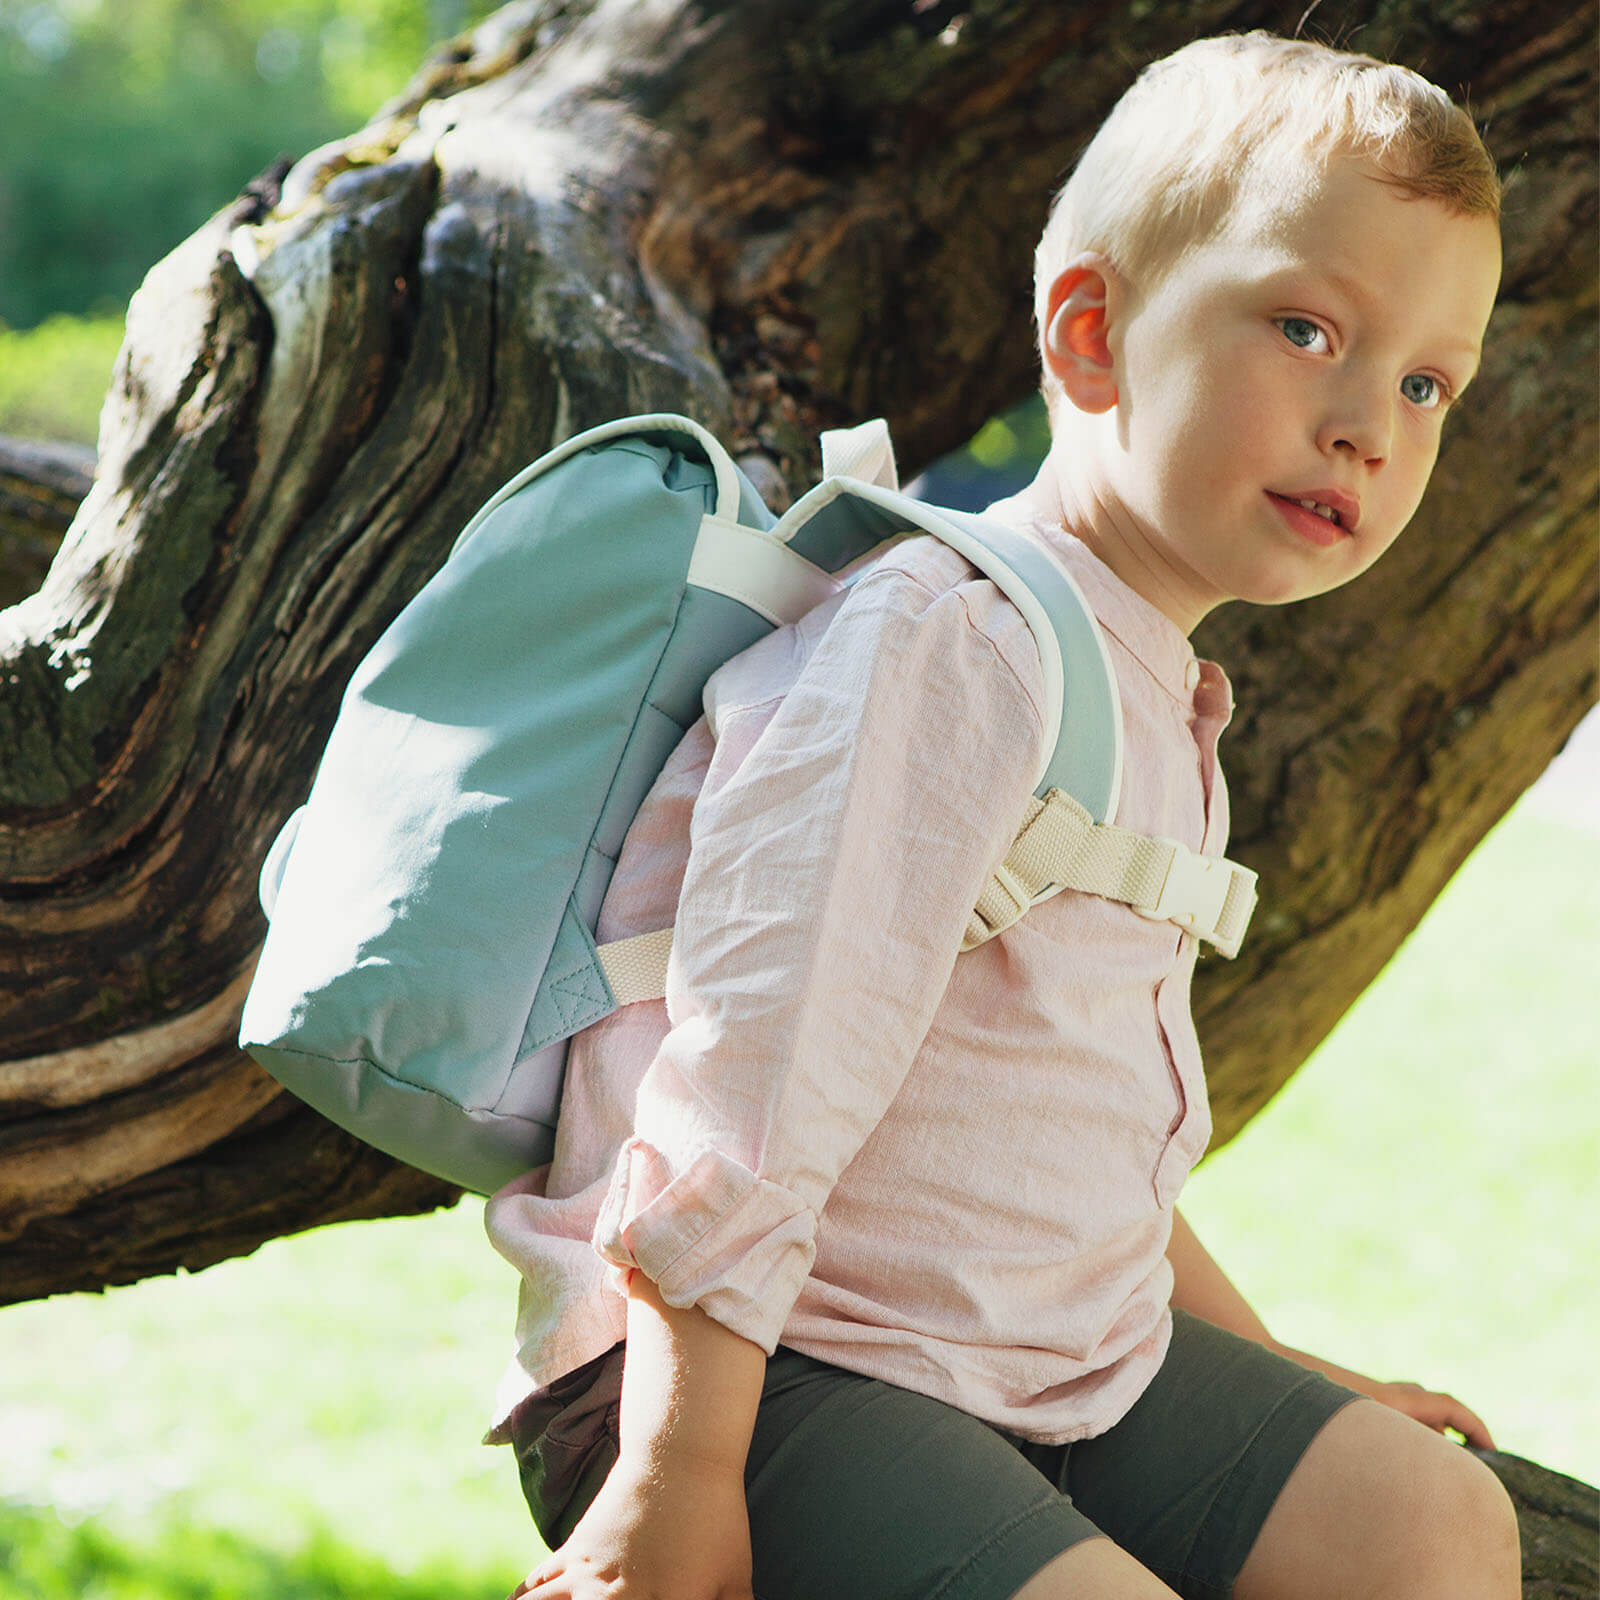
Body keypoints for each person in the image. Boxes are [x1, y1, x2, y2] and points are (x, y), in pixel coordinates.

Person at [485, 31, 1517, 1600]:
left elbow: (1070, 1139)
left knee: (1429, 1522)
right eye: (1310, 327)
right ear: (1094, 334)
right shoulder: (951, 639)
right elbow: (750, 1068)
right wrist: (676, 1470)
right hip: (757, 1375)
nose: (1372, 422)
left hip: (1032, 1358)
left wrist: (1284, 1376)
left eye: (1428, 380)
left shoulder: (1159, 691)